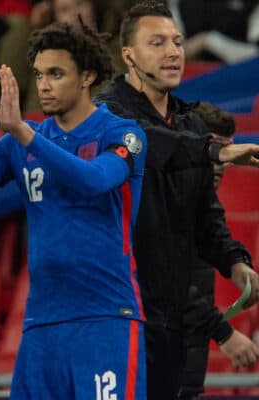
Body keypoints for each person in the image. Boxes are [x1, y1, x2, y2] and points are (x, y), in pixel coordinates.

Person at [0, 22, 148, 399]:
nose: (43, 84)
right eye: (39, 74)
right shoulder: (19, 144)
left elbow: (93, 180)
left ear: (87, 76)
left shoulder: (123, 134)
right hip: (42, 324)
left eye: (56, 74)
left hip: (106, 319)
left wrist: (24, 134)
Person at [94, 2, 259, 399]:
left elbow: (207, 216)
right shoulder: (106, 112)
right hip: (119, 318)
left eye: (178, 42)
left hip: (171, 324)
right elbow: (146, 142)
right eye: (157, 43)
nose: (173, 52)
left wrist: (235, 262)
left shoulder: (192, 123)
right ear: (129, 55)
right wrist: (214, 151)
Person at [180, 102, 259, 400]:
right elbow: (158, 279)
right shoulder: (154, 203)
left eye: (227, 152)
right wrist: (223, 332)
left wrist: (239, 265)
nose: (222, 162)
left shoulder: (204, 204)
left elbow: (216, 236)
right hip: (148, 353)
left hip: (185, 357)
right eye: (214, 151)